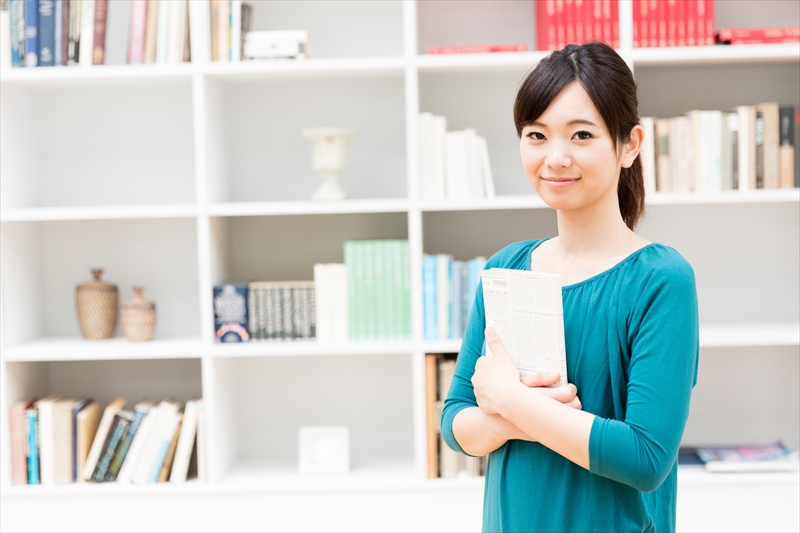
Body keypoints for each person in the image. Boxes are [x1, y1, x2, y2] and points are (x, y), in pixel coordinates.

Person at [440, 41, 699, 533]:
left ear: (630, 145)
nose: (555, 157)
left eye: (581, 134)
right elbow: (455, 425)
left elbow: (645, 459)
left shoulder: (660, 280)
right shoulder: (507, 268)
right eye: (536, 135)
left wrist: (510, 400)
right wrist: (518, 418)